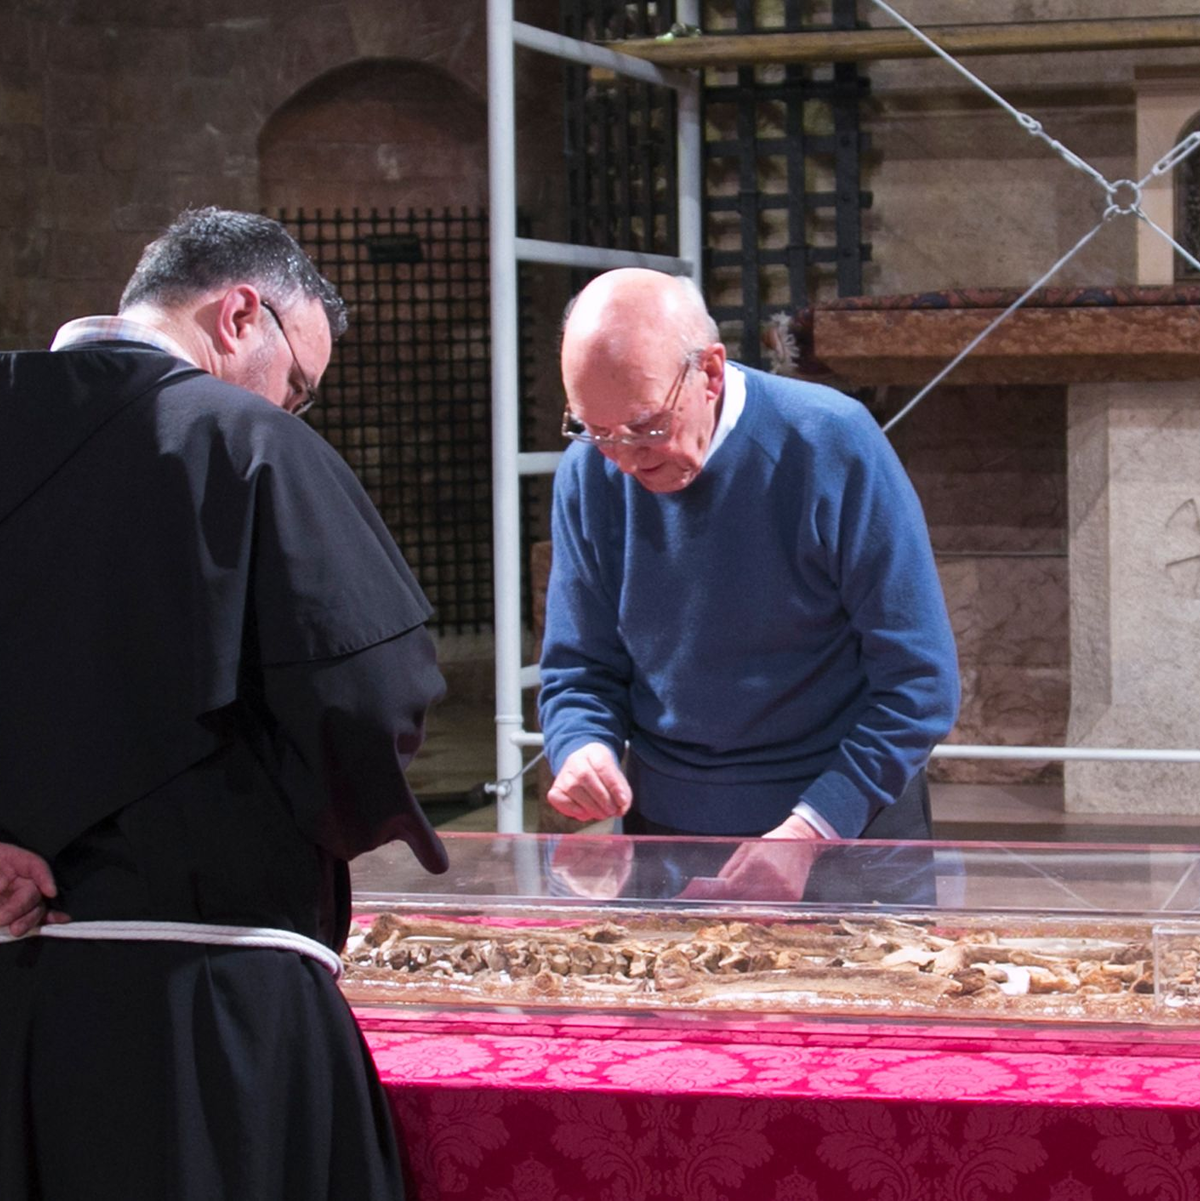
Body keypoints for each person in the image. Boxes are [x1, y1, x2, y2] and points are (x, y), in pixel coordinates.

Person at [0, 208, 447, 1199]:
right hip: (203, 1019)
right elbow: (368, 702)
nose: (290, 409)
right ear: (241, 313)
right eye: (299, 384)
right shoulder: (251, 445)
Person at [538, 268, 960, 903]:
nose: (625, 458)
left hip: (844, 830)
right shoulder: (589, 474)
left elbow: (920, 683)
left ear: (709, 373)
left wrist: (811, 828)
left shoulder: (830, 443)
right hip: (669, 833)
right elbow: (579, 670)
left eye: (646, 426)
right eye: (594, 431)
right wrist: (582, 746)